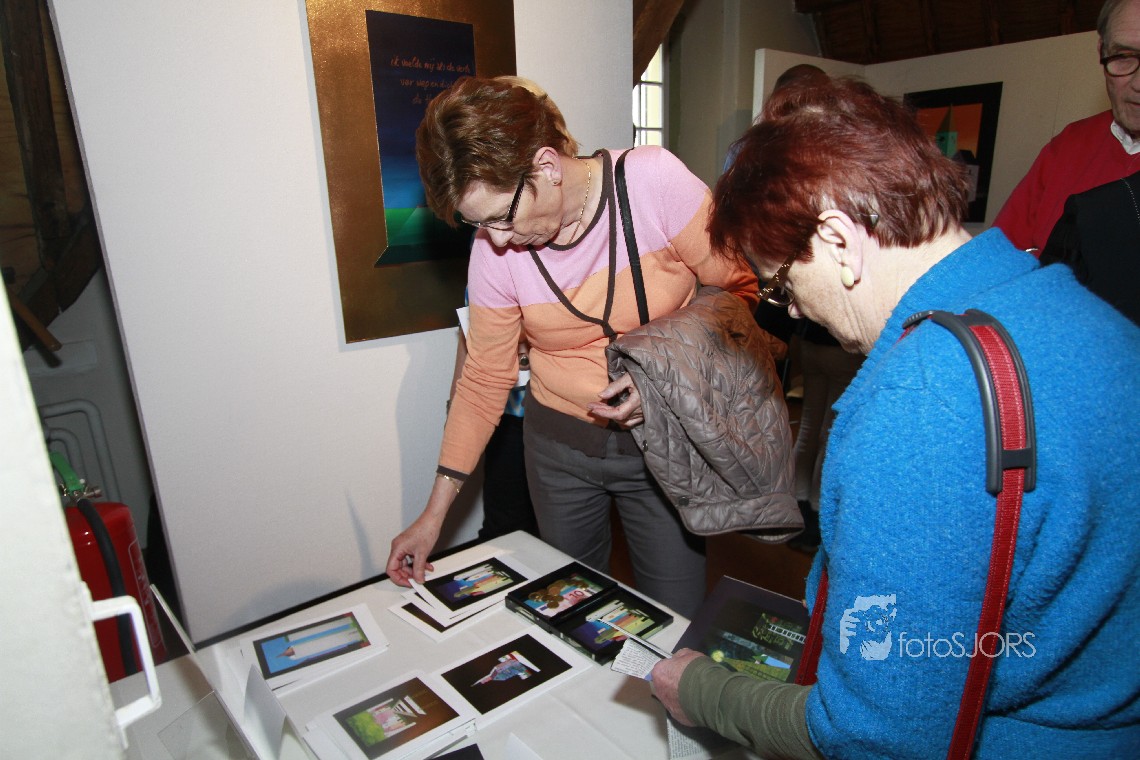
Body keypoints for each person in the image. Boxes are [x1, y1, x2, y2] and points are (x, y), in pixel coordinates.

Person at [650, 74, 1140, 758]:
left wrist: (705, 692)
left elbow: (877, 734)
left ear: (838, 240)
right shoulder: (1090, 316)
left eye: (782, 284)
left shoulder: (916, 408)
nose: (795, 311)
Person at [385, 76, 759, 618]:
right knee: (571, 615)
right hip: (557, 450)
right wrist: (433, 516)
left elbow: (740, 289)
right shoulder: (493, 249)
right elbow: (485, 378)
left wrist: (667, 370)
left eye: (502, 216)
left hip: (666, 443)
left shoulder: (653, 183)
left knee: (675, 619)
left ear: (546, 166)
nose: (497, 240)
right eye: (478, 224)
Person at [993, 0, 1140, 252]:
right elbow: (1000, 256)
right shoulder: (1069, 144)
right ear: (1101, 51)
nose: (1138, 84)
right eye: (1123, 57)